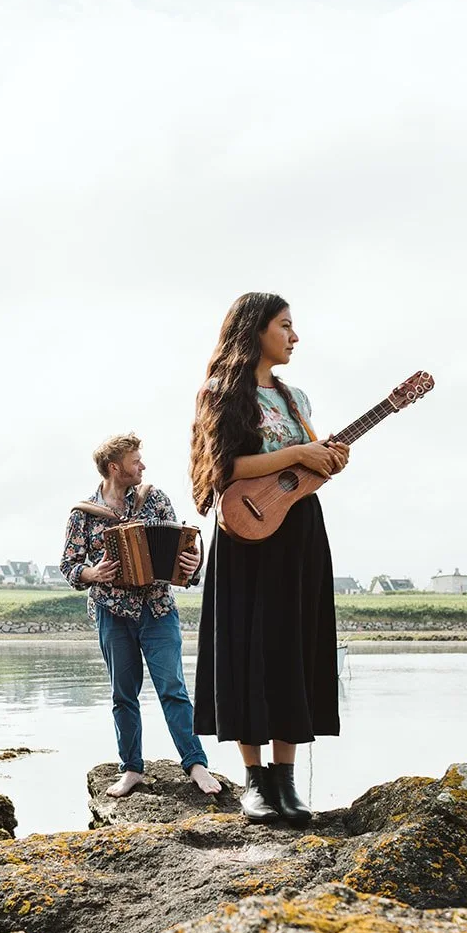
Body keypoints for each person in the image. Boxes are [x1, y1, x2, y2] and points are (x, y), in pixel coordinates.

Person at [188, 294, 349, 825]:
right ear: (256, 329)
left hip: (300, 530)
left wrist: (325, 460)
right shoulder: (220, 393)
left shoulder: (296, 397)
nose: (294, 336)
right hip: (246, 533)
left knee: (292, 646)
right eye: (285, 326)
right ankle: (255, 783)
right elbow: (226, 468)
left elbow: (301, 474)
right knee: (247, 646)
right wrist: (300, 452)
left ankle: (286, 780)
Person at [61, 434, 219, 798]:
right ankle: (131, 768)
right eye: (136, 460)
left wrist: (193, 564)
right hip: (112, 613)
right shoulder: (83, 514)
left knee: (173, 688)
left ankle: (195, 764)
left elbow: (186, 548)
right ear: (115, 467)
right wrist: (91, 573)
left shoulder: (155, 498)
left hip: (158, 608)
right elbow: (69, 565)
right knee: (123, 694)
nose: (143, 466)